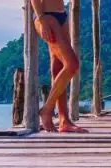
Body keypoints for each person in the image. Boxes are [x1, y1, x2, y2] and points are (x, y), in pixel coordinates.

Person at [30, 0, 87, 133]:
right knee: (72, 64)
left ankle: (64, 120)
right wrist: (41, 18)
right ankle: (47, 110)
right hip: (45, 15)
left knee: (58, 69)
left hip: (61, 15)